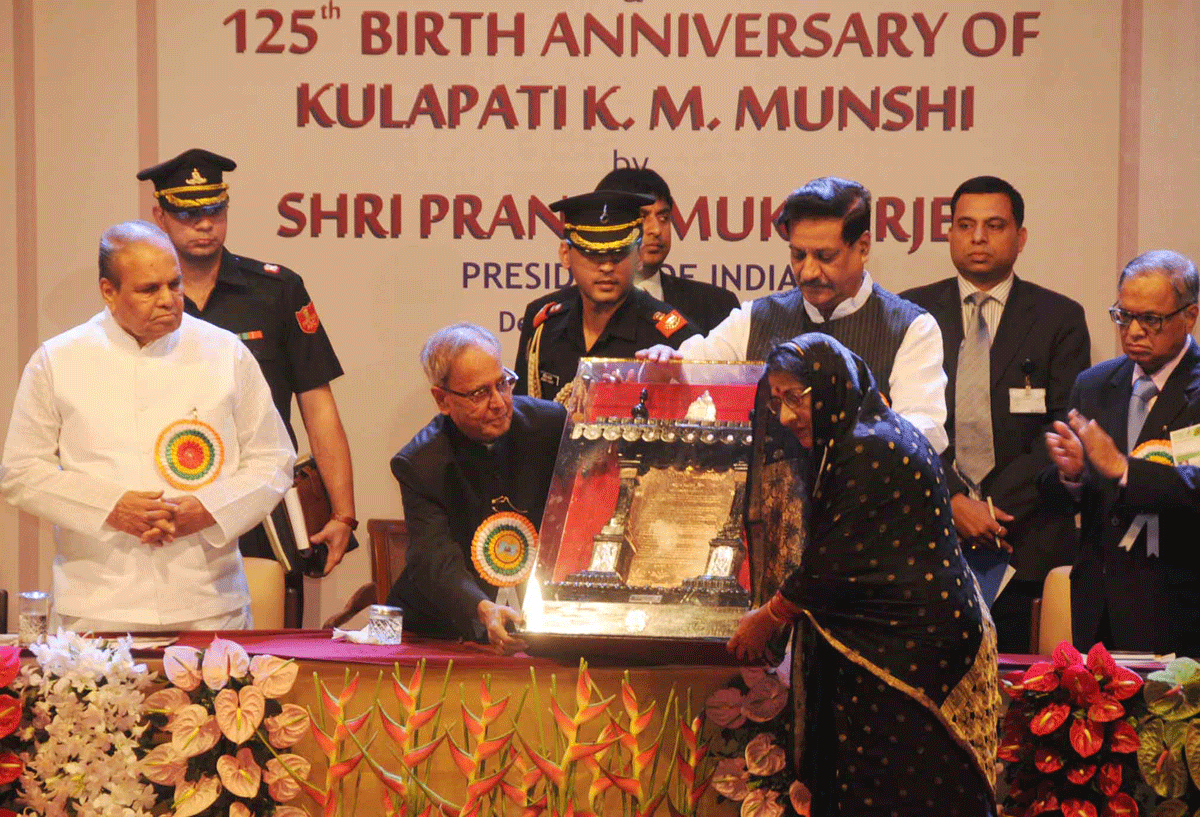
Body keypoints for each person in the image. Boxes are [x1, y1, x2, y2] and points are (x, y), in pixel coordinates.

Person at [728, 333, 999, 816]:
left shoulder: (868, 448)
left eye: (796, 397)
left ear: (830, 387)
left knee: (908, 791)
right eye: (776, 402)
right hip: (899, 642)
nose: (787, 416)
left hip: (913, 656)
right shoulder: (863, 432)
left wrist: (768, 618)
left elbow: (834, 566)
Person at [0, 221, 294, 632]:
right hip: (97, 604)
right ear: (108, 291)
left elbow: (274, 459)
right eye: (148, 289)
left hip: (208, 601)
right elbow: (20, 472)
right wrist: (111, 507)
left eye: (174, 284)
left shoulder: (225, 352)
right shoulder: (59, 360)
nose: (169, 300)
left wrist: (210, 508)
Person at [137, 148, 356, 616]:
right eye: (187, 212)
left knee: (270, 661)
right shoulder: (142, 303)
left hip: (259, 503)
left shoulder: (276, 291)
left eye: (214, 209)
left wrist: (342, 514)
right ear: (160, 215)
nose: (204, 223)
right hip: (170, 506)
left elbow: (317, 404)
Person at [901, 176, 1090, 652]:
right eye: (965, 225)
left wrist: (988, 510)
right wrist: (954, 502)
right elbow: (901, 425)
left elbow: (1063, 426)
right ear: (949, 234)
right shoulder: (909, 311)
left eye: (994, 225)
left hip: (1026, 541)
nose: (978, 237)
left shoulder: (1059, 317)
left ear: (1020, 237)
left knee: (1026, 698)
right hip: (929, 539)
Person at [638, 176, 949, 453]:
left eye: (826, 257)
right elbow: (691, 370)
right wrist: (667, 367)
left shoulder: (911, 328)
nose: (809, 272)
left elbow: (924, 435)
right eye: (798, 255)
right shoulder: (755, 318)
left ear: (863, 247)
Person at [1041, 250, 1200, 657]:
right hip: (1100, 609)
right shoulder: (1093, 384)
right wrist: (1073, 476)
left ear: (1190, 315)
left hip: (1180, 612)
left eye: (1150, 319)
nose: (1132, 331)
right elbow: (1059, 500)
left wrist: (1122, 468)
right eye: (1123, 315)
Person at [387, 323, 567, 653]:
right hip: (448, 626)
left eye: (503, 383)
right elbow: (435, 559)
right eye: (479, 393)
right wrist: (482, 610)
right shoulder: (420, 463)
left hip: (541, 624)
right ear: (442, 399)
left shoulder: (550, 425)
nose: (499, 402)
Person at [513, 190, 700, 401]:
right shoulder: (544, 326)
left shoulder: (670, 340)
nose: (607, 267)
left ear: (638, 256)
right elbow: (523, 414)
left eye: (619, 254)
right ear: (566, 255)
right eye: (593, 255)